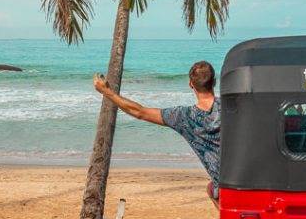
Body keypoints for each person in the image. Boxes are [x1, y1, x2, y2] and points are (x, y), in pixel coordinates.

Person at [92, 60, 220, 202]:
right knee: (211, 188)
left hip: (225, 187)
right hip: (248, 179)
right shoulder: (235, 106)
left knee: (212, 189)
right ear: (214, 81)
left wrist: (106, 91)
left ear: (191, 84)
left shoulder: (184, 117)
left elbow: (140, 112)